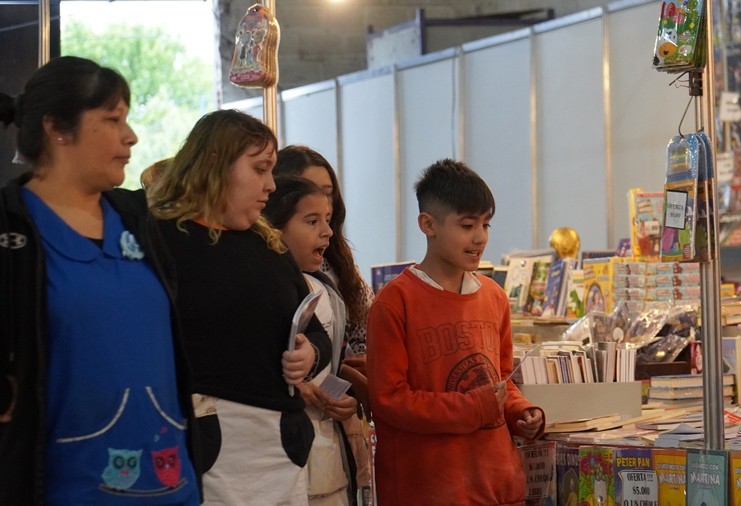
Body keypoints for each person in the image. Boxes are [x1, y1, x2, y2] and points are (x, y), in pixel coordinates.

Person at [0, 56, 200, 504]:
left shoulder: (136, 220)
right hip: (64, 488)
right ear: (58, 128)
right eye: (112, 119)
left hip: (172, 483)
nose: (130, 136)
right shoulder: (11, 229)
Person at [148, 109, 332, 504]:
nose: (270, 185)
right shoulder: (159, 240)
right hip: (205, 443)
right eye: (260, 169)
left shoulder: (270, 246)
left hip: (282, 446)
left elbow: (314, 328)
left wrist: (311, 353)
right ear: (215, 163)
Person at [367, 158, 545, 505]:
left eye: (486, 225)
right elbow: (389, 401)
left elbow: (502, 381)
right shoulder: (395, 302)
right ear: (427, 224)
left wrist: (521, 412)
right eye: (467, 225)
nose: (479, 238)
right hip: (428, 489)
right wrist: (471, 408)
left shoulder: (493, 296)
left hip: (497, 485)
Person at [273, 145, 374, 503]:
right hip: (279, 451)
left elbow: (331, 367)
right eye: (311, 219)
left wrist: (341, 396)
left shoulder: (329, 279)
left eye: (327, 209)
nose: (326, 230)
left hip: (327, 448)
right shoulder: (270, 284)